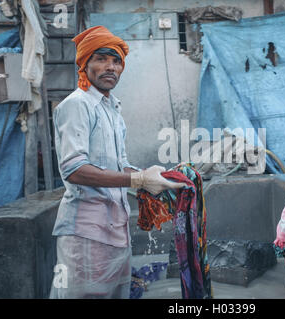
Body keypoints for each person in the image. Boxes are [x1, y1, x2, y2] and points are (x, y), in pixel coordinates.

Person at [49, 25, 185, 299]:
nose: (110, 67)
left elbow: (119, 165)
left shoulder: (112, 109)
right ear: (85, 63)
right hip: (86, 231)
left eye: (116, 61)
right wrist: (138, 180)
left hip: (116, 227)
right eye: (101, 59)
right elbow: (74, 169)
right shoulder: (77, 105)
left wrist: (155, 176)